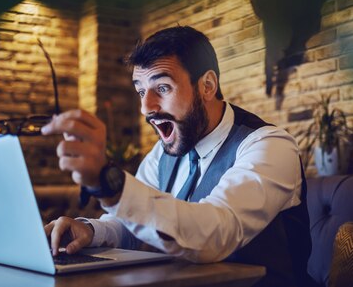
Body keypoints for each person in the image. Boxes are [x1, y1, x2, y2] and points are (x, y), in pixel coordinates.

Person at [41, 26, 311, 287]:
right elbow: (132, 222)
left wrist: (110, 183)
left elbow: (217, 234)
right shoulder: (165, 150)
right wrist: (91, 231)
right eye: (141, 91)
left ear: (207, 85)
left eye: (163, 88)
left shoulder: (270, 145)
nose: (146, 107)